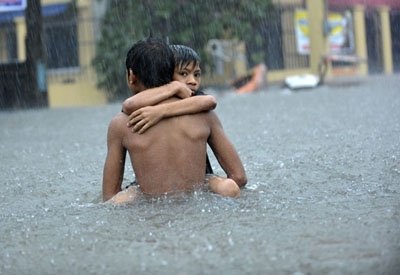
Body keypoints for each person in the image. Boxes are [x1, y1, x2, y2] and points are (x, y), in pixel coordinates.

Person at [102, 38, 247, 204]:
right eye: (184, 74)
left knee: (117, 201)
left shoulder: (121, 124)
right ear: (170, 74)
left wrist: (135, 190)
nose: (192, 81)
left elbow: (109, 195)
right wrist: (209, 182)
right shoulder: (204, 115)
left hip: (150, 211)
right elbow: (239, 177)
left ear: (131, 76)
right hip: (198, 206)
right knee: (228, 186)